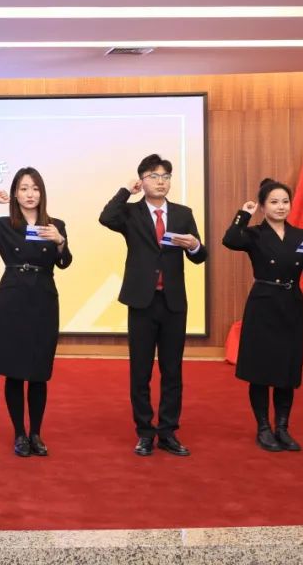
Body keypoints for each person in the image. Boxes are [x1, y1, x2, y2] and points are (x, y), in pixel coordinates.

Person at [99, 153, 207, 457]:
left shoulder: (183, 213)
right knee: (141, 370)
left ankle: (168, 432)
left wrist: (194, 245)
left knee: (172, 371)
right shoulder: (130, 213)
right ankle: (145, 432)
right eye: (153, 176)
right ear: (142, 181)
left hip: (173, 303)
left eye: (165, 177)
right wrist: (126, 191)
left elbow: (200, 256)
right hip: (142, 302)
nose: (161, 182)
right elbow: (106, 217)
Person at [0, 167, 72, 457]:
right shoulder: (4, 225)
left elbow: (64, 263)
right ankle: (20, 433)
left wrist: (60, 241)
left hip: (43, 299)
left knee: (39, 371)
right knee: (15, 370)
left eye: (35, 188)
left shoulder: (56, 225)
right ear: (15, 194)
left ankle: (36, 433)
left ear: (42, 193)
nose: (30, 194)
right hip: (13, 299)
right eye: (23, 188)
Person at [222, 178, 303, 452]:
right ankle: (264, 428)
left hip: (290, 305)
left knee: (286, 370)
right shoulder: (254, 234)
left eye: (285, 201)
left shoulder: (300, 235)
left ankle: (283, 428)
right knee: (260, 370)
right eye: (274, 202)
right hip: (263, 305)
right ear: (263, 206)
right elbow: (229, 240)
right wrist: (244, 213)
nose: (281, 207)